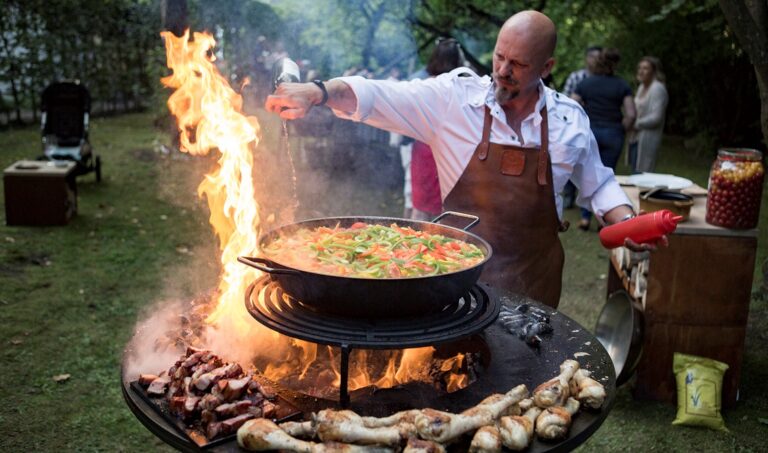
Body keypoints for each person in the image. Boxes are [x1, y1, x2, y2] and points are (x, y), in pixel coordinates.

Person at [266, 10, 657, 309]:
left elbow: (600, 185)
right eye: (499, 57)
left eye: (518, 65)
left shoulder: (569, 120)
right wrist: (316, 92)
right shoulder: (454, 100)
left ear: (547, 68)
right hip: (455, 278)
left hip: (534, 280)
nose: (502, 71)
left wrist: (626, 222)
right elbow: (374, 95)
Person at [572, 48, 636, 231]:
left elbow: (572, 105)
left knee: (588, 175)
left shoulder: (586, 83)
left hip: (589, 132)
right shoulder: (622, 85)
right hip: (612, 133)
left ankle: (585, 218)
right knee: (605, 178)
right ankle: (605, 220)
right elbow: (631, 114)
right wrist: (620, 128)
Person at [410, 37, 467, 221]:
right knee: (445, 211)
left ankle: (413, 244)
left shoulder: (423, 84)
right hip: (450, 151)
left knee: (421, 207)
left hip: (423, 150)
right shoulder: (462, 88)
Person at [561, 46, 602, 208]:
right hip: (575, 127)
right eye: (593, 57)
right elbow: (564, 100)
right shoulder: (576, 77)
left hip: (596, 125)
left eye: (599, 57)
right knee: (570, 162)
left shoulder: (605, 80)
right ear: (587, 58)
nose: (596, 61)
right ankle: (569, 196)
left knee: (592, 164)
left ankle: (591, 200)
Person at [629, 56, 668, 173]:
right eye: (639, 68)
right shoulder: (641, 87)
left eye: (645, 68)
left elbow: (656, 117)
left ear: (654, 72)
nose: (641, 71)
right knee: (634, 173)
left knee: (642, 174)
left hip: (647, 138)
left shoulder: (657, 89)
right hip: (635, 137)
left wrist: (635, 124)